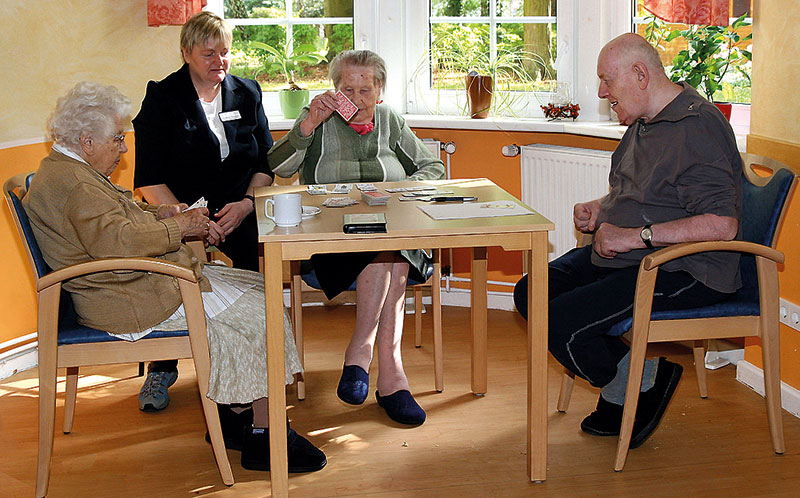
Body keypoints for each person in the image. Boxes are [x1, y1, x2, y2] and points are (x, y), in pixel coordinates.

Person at [23, 81, 326, 473]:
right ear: (86, 141)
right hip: (130, 299)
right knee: (262, 310)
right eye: (117, 139)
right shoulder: (75, 183)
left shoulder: (69, 169)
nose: (123, 148)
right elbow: (117, 241)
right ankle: (266, 439)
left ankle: (236, 417)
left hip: (129, 284)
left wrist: (162, 215)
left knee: (256, 289)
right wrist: (180, 227)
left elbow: (116, 219)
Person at [513, 33, 743, 448]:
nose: (602, 92)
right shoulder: (645, 122)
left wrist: (635, 236)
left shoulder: (696, 128)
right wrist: (601, 208)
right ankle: (638, 381)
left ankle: (635, 386)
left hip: (685, 267)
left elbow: (722, 224)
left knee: (563, 323)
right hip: (636, 254)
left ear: (640, 74)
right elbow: (645, 192)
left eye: (607, 80)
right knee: (532, 291)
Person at [268, 50, 445, 426]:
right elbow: (278, 167)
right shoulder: (319, 117)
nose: (358, 98)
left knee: (390, 252)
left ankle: (361, 354)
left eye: (367, 89)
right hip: (332, 245)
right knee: (389, 257)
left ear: (380, 91)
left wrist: (400, 192)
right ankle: (391, 375)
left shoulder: (390, 120)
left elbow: (432, 167)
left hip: (394, 236)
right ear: (335, 89)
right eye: (348, 88)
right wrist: (307, 125)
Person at [132, 11, 274, 411]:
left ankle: (252, 361)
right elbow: (149, 178)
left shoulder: (247, 92)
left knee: (257, 255)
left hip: (237, 209)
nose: (219, 62)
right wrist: (188, 220)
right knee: (174, 269)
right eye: (209, 53)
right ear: (186, 53)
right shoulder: (162, 97)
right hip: (179, 211)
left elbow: (265, 164)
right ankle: (162, 366)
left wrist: (246, 206)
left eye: (225, 53)